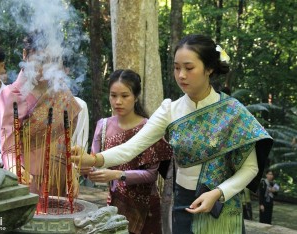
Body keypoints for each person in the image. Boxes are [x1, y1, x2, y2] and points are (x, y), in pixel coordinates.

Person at [71, 34, 273, 233]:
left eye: (189, 68)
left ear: (209, 69)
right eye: (177, 68)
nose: (181, 75)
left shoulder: (232, 110)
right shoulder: (170, 110)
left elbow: (251, 168)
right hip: (183, 204)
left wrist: (219, 193)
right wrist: (92, 159)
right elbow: (131, 148)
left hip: (222, 209)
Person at [0, 32, 89, 201]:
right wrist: (14, 168)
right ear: (25, 55)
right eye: (40, 60)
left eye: (53, 61)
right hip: (27, 178)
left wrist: (72, 173)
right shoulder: (12, 94)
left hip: (60, 177)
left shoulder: (61, 92)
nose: (46, 68)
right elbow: (9, 145)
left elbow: (67, 140)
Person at [82, 69, 173, 234]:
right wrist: (85, 169)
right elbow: (95, 163)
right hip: (114, 207)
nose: (118, 102)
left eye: (125, 96)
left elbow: (151, 175)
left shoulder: (149, 128)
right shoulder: (102, 126)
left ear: (136, 97)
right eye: (113, 95)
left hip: (147, 209)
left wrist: (117, 175)